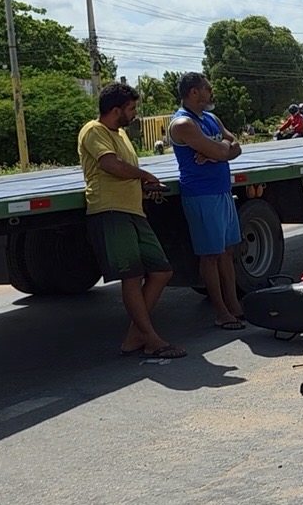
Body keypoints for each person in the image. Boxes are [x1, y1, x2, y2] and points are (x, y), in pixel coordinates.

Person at [78, 83, 186, 359]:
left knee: (162, 271)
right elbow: (110, 165)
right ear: (116, 110)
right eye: (132, 108)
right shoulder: (94, 130)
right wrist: (144, 175)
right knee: (132, 276)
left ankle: (135, 335)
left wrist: (144, 186)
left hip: (134, 211)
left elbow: (124, 170)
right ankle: (151, 339)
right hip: (110, 210)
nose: (135, 113)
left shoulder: (121, 134)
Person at [168, 72, 244, 330]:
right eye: (207, 88)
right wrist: (220, 150)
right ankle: (221, 312)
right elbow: (224, 148)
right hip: (201, 195)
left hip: (222, 190)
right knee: (210, 255)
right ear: (194, 91)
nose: (211, 92)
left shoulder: (211, 118)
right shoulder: (183, 124)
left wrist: (216, 152)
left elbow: (236, 147)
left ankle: (234, 305)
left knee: (227, 251)